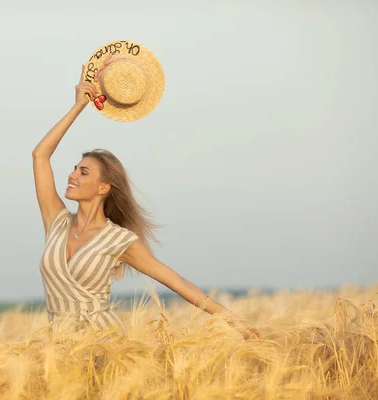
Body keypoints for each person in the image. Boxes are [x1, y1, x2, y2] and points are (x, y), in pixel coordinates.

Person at [32, 65, 261, 340]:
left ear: (104, 187)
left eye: (83, 172)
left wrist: (234, 322)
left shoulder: (118, 240)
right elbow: (40, 156)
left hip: (104, 345)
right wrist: (79, 106)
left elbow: (176, 281)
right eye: (74, 168)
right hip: (55, 345)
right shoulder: (55, 221)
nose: (71, 175)